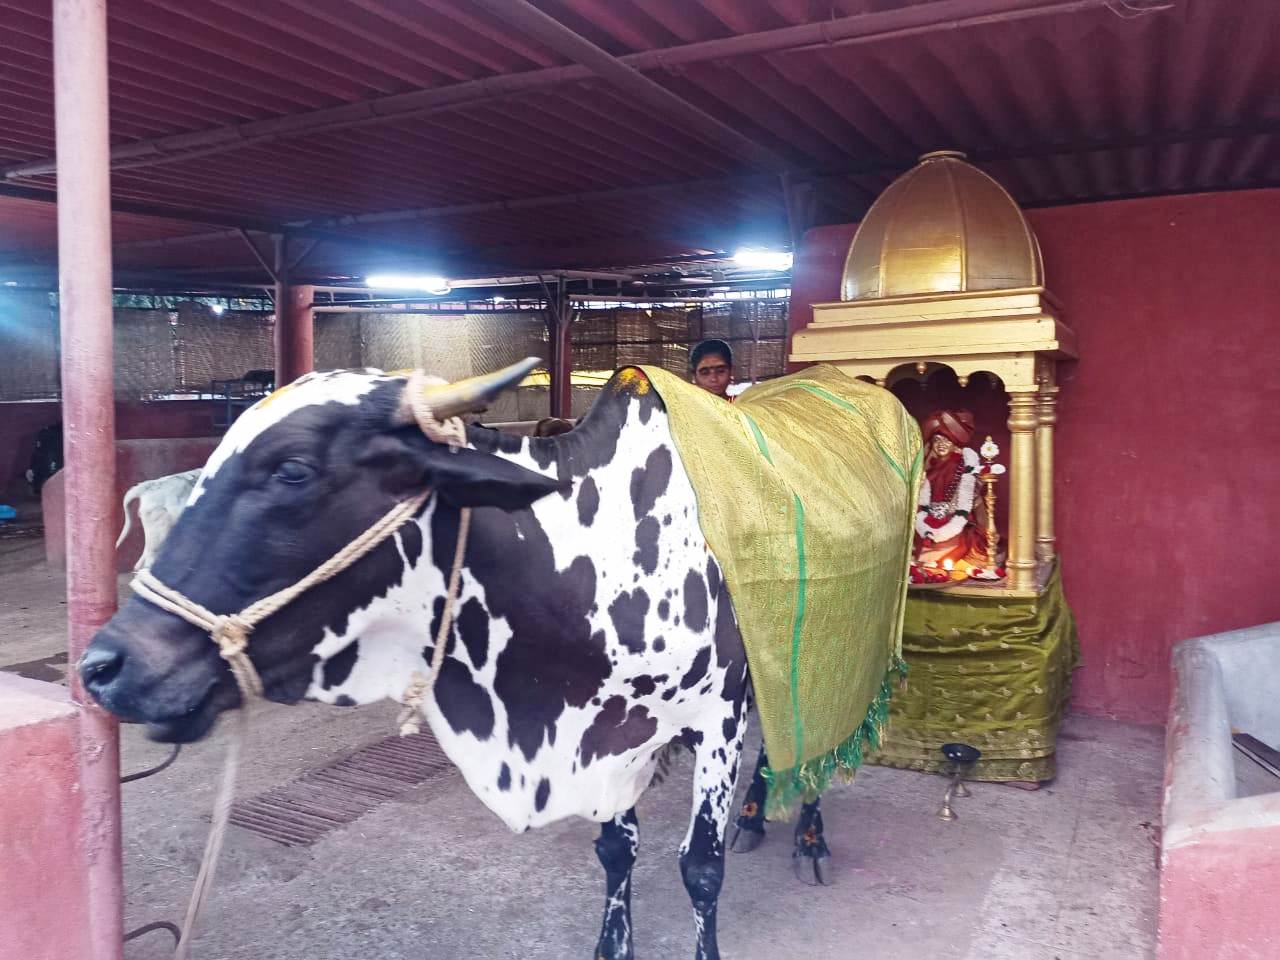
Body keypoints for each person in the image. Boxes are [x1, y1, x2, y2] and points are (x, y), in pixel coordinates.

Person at [914, 409, 994, 579]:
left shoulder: (964, 469)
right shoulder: (927, 469)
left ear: (955, 443)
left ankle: (938, 566)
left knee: (962, 545)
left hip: (958, 528)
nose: (941, 444)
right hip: (927, 526)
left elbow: (974, 505)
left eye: (946, 440)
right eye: (936, 440)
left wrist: (986, 530)